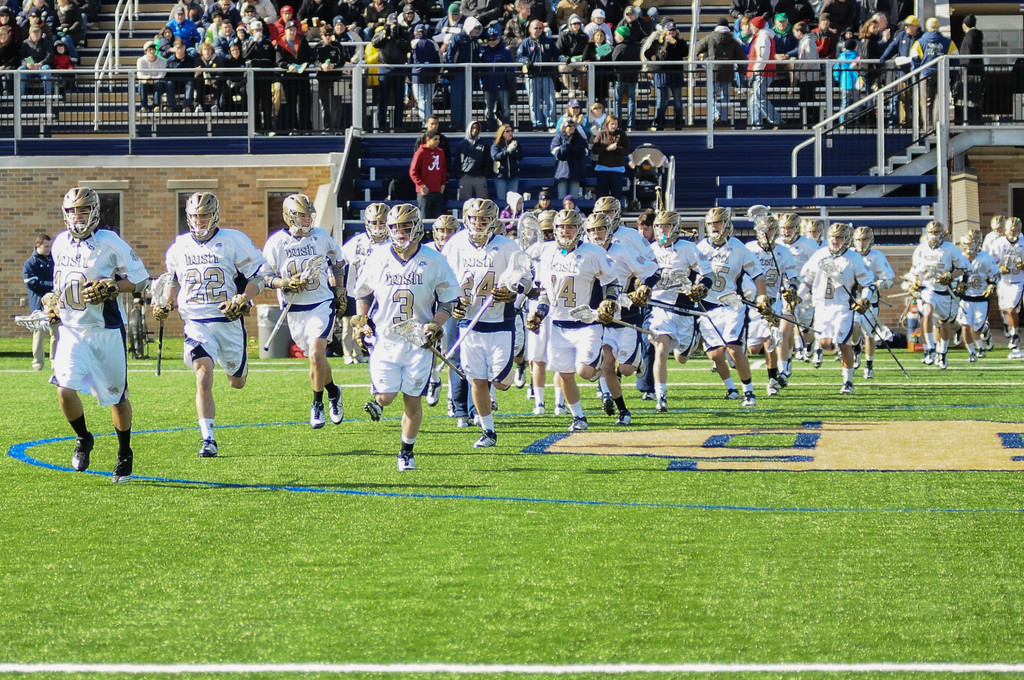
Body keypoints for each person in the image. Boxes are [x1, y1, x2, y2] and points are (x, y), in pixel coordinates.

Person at [155, 191, 267, 459]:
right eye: (195, 216)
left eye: (204, 215)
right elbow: (172, 280)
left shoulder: (232, 240)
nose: (200, 220)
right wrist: (167, 303)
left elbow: (259, 276)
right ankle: (208, 439)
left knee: (236, 382)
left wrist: (243, 297)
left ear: (214, 214)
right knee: (203, 376)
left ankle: (238, 369)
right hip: (196, 321)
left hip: (227, 321)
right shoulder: (179, 246)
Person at [50, 187, 150, 483]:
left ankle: (124, 454)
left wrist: (113, 286)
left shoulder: (109, 241)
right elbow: (60, 287)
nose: (77, 217)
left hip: (105, 330)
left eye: (82, 211)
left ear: (94, 212)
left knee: (116, 398)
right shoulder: (59, 243)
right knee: (64, 389)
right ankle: (84, 438)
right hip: (72, 330)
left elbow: (141, 280)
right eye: (72, 211)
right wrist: (52, 302)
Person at [353, 203, 460, 471]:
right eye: (394, 228)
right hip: (387, 338)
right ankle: (378, 404)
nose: (399, 233)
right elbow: (363, 293)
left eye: (405, 227)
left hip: (417, 340)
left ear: (417, 227)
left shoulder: (434, 260)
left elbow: (449, 301)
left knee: (412, 399)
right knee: (386, 396)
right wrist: (361, 320)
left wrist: (436, 325)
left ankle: (406, 451)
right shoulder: (378, 257)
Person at [444, 198, 533, 447]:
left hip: (500, 322)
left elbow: (527, 280)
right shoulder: (456, 244)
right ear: (466, 218)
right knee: (476, 379)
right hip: (469, 323)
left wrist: (514, 293)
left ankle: (513, 369)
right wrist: (454, 303)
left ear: (493, 221)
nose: (478, 223)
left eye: (484, 219)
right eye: (474, 219)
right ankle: (488, 431)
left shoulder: (507, 246)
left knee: (501, 383)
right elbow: (443, 281)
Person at [262, 194, 347, 428]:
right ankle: (333, 391)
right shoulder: (277, 243)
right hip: (295, 308)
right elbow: (264, 277)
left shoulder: (321, 236)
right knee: (315, 359)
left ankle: (317, 404)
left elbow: (337, 262)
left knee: (316, 354)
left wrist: (339, 290)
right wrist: (285, 283)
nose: (307, 219)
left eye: (309, 214)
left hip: (321, 303)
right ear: (289, 216)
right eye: (301, 215)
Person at [530, 208, 618, 431]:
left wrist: (609, 301)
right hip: (559, 324)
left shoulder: (592, 252)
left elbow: (611, 280)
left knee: (584, 371)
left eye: (570, 227)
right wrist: (539, 314)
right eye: (561, 227)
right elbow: (545, 293)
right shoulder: (547, 253)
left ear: (578, 229)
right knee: (565, 375)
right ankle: (578, 417)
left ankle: (598, 367)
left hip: (586, 321)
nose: (566, 231)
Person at [583, 212, 659, 424]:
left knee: (625, 369)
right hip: (599, 320)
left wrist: (644, 288)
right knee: (606, 366)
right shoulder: (583, 252)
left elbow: (653, 271)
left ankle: (638, 363)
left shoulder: (622, 250)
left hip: (625, 316)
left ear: (609, 230)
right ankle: (623, 411)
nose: (596, 234)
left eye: (600, 229)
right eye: (592, 230)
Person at [697, 206, 769, 406]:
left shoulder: (738, 248)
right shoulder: (701, 248)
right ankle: (731, 388)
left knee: (734, 348)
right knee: (716, 353)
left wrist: (762, 296)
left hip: (732, 304)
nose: (714, 227)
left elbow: (757, 273)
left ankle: (749, 392)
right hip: (707, 306)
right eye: (711, 223)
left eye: (718, 223)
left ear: (727, 224)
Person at [647, 210, 713, 411]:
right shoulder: (649, 250)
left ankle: (694, 337)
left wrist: (701, 287)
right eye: (658, 226)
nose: (661, 230)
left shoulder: (688, 248)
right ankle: (661, 397)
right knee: (661, 349)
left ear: (675, 227)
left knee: (681, 358)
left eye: (665, 226)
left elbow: (707, 272)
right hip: (659, 307)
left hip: (683, 308)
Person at [798, 222, 874, 393]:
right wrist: (797, 297)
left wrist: (864, 299)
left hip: (842, 308)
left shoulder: (853, 259)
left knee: (843, 344)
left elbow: (868, 283)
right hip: (822, 307)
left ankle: (848, 382)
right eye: (833, 237)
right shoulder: (819, 255)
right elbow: (808, 281)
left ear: (846, 239)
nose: (835, 240)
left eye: (839, 237)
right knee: (825, 344)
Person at [744, 212, 798, 396]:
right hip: (751, 302)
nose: (767, 233)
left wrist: (791, 289)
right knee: (753, 348)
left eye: (770, 229)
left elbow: (792, 277)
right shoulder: (749, 249)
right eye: (763, 230)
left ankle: (772, 380)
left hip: (772, 303)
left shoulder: (783, 252)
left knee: (770, 341)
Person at [908, 220, 969, 368]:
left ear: (942, 234)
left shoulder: (950, 249)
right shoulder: (921, 250)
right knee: (927, 313)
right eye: (931, 232)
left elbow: (963, 268)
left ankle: (942, 352)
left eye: (936, 233)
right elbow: (915, 270)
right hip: (928, 289)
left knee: (944, 324)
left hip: (945, 291)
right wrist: (914, 282)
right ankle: (930, 349)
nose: (933, 236)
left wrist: (950, 276)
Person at [340, 203, 391, 364]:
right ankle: (350, 353)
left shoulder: (393, 243)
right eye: (374, 223)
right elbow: (338, 261)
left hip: (385, 294)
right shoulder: (357, 242)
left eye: (382, 223)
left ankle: (370, 356)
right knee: (354, 326)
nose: (378, 227)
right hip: (359, 294)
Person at [849, 226, 893, 377]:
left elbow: (889, 281)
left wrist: (873, 286)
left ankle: (869, 365)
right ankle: (856, 348)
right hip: (852, 301)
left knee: (869, 334)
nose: (862, 243)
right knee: (854, 327)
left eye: (865, 239)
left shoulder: (877, 256)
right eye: (859, 240)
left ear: (871, 240)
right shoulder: (849, 255)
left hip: (870, 302)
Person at [956, 231, 1000, 363]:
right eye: (967, 244)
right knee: (965, 326)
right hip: (966, 298)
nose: (970, 247)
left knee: (976, 328)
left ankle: (983, 336)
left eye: (972, 244)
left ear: (978, 244)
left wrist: (992, 285)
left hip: (981, 297)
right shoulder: (960, 258)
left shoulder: (985, 257)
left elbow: (996, 275)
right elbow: (953, 275)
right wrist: (957, 285)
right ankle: (973, 352)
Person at [696, 17, 746, 126]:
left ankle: (716, 114)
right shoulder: (733, 40)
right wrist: (741, 66)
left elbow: (697, 48)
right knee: (726, 95)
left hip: (714, 71)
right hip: (728, 71)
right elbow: (741, 56)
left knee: (712, 95)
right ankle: (723, 118)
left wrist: (704, 55)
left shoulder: (710, 38)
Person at [910, 17, 955, 132]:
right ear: (938, 27)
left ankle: (928, 128)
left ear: (927, 27)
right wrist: (952, 74)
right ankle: (938, 127)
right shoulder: (948, 42)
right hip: (942, 74)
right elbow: (955, 58)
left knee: (926, 102)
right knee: (941, 100)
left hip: (926, 74)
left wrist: (917, 72)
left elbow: (914, 58)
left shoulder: (920, 42)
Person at [989, 216, 1024, 357]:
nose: (1012, 233)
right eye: (1010, 230)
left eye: (1015, 231)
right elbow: (990, 261)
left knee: (1011, 309)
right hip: (1003, 282)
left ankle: (1014, 335)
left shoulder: (1023, 241)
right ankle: (1010, 330)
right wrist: (999, 267)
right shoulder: (999, 243)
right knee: (1004, 311)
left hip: (1018, 281)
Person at [516, 19, 560, 131]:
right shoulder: (526, 42)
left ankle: (551, 124)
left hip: (546, 75)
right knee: (534, 102)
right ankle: (537, 124)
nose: (538, 30)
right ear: (530, 29)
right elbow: (519, 56)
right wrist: (526, 61)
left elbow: (557, 54)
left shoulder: (548, 41)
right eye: (536, 28)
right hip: (532, 77)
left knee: (550, 100)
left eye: (540, 28)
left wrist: (564, 59)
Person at [23, 232, 58, 372]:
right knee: (39, 333)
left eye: (50, 246)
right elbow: (33, 284)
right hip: (38, 303)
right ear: (38, 246)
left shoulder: (53, 261)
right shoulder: (30, 263)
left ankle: (55, 361)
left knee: (56, 332)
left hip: (55, 304)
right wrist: (52, 286)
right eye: (46, 246)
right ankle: (37, 363)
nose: (49, 249)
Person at [645, 20, 686, 129]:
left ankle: (678, 124)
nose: (671, 33)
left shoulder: (681, 42)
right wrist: (652, 56)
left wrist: (675, 44)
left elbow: (684, 53)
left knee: (677, 100)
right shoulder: (658, 42)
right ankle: (659, 123)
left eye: (673, 31)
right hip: (662, 73)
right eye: (669, 31)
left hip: (676, 73)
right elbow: (648, 52)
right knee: (662, 100)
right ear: (665, 31)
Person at [276, 20, 314, 131]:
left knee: (305, 103)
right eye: (290, 30)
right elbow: (278, 61)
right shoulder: (281, 43)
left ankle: (305, 128)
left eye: (294, 30)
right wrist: (288, 66)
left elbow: (310, 55)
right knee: (291, 104)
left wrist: (305, 64)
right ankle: (292, 127)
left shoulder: (302, 40)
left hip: (303, 77)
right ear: (285, 30)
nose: (292, 32)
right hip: (289, 78)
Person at [479, 23, 515, 131]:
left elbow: (511, 68)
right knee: (489, 110)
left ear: (499, 38)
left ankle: (507, 129)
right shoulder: (485, 53)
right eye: (489, 39)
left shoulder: (506, 52)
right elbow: (481, 69)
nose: (491, 41)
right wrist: (482, 82)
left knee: (505, 109)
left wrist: (509, 81)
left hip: (503, 85)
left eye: (494, 39)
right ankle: (491, 127)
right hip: (489, 85)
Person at [746, 16, 780, 129]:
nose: (750, 27)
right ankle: (756, 125)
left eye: (751, 25)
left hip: (762, 72)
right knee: (754, 99)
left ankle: (776, 120)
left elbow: (763, 57)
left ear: (756, 26)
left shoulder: (763, 38)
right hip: (762, 71)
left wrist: (755, 71)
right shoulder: (762, 37)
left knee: (758, 97)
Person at [410, 128, 448, 219]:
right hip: (425, 192)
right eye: (435, 139)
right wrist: (421, 185)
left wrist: (443, 183)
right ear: (428, 139)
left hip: (437, 190)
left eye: (438, 139)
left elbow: (443, 169)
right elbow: (413, 171)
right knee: (425, 218)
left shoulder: (440, 152)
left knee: (437, 218)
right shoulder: (420, 152)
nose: (437, 141)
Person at [591, 114, 629, 200]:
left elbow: (627, 151)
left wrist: (616, 148)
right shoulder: (601, 133)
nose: (614, 126)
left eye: (616, 124)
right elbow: (595, 149)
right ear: (607, 124)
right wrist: (607, 148)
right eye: (612, 124)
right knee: (602, 195)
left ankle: (616, 212)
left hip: (617, 169)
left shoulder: (622, 134)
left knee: (616, 195)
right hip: (602, 169)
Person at [409, 22, 440, 124]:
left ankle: (426, 123)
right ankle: (431, 122)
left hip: (417, 76)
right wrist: (437, 74)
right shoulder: (433, 43)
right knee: (429, 100)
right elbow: (439, 60)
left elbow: (409, 61)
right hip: (431, 75)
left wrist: (408, 76)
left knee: (421, 100)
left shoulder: (413, 43)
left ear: (415, 33)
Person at [609, 25, 639, 129]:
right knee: (631, 100)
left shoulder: (619, 47)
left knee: (617, 101)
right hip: (632, 77)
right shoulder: (636, 46)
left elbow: (614, 62)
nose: (615, 37)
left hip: (620, 78)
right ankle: (631, 125)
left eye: (616, 35)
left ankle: (618, 125)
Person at [550, 117, 587, 199]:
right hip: (562, 173)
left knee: (574, 198)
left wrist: (575, 146)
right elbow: (559, 155)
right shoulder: (558, 138)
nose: (572, 128)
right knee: (562, 197)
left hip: (576, 172)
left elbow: (583, 153)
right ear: (564, 127)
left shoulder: (579, 139)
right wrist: (566, 145)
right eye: (569, 126)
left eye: (574, 126)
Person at [957, 14, 983, 124]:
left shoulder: (969, 37)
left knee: (967, 98)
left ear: (965, 25)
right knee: (975, 99)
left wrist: (962, 69)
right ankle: (976, 119)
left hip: (969, 73)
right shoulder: (976, 35)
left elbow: (967, 56)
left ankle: (970, 120)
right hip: (977, 72)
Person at [455, 120, 490, 200]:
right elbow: (457, 161)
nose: (475, 130)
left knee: (482, 203)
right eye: (473, 128)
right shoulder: (461, 144)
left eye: (477, 128)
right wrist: (460, 176)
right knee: (465, 203)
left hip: (480, 178)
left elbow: (488, 161)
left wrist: (485, 175)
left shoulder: (484, 144)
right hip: (465, 177)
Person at [136, 40, 171, 112]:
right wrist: (147, 78)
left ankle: (156, 107)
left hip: (158, 83)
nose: (152, 51)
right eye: (150, 49)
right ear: (145, 51)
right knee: (142, 84)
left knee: (159, 84)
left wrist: (153, 79)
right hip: (146, 83)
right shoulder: (140, 60)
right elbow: (140, 74)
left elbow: (162, 74)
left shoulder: (162, 61)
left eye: (153, 49)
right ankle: (144, 107)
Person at [18, 24, 52, 96]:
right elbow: (22, 58)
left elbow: (49, 56)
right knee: (20, 70)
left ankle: (47, 95)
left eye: (38, 32)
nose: (36, 34)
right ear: (30, 33)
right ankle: (20, 95)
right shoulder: (25, 43)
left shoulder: (46, 42)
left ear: (41, 33)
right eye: (34, 32)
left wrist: (40, 63)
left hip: (41, 67)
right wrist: (27, 64)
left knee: (47, 68)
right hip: (29, 68)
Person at [491, 123, 522, 198]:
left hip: (513, 176)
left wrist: (513, 151)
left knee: (513, 199)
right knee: (501, 197)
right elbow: (495, 156)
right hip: (501, 176)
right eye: (507, 131)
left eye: (511, 131)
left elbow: (520, 156)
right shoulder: (496, 145)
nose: (510, 133)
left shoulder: (515, 144)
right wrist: (507, 152)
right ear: (502, 133)